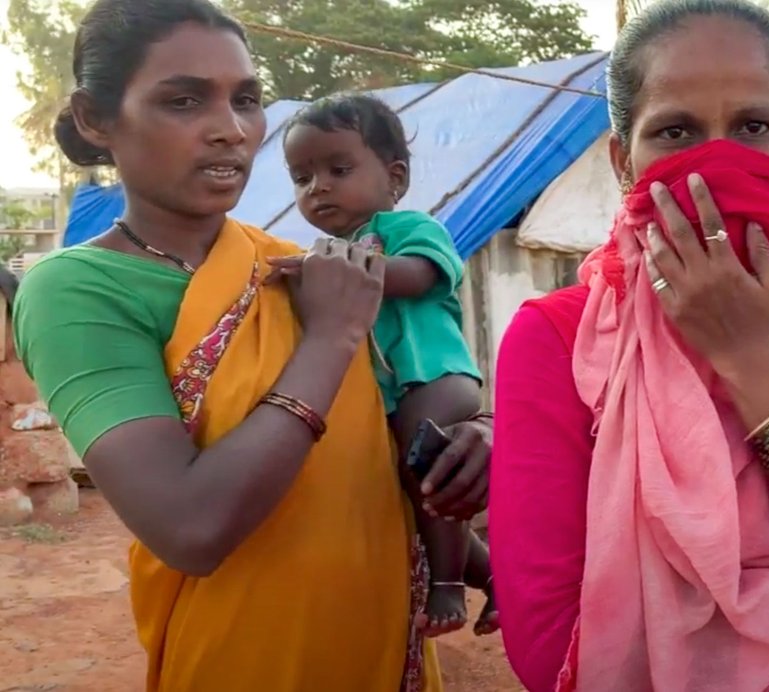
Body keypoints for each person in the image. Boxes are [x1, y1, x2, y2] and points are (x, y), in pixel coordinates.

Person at [11, 1, 489, 689]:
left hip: (383, 639)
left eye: (247, 100)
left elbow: (385, 424)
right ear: (96, 118)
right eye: (183, 100)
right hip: (244, 654)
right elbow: (190, 527)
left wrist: (476, 433)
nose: (231, 131)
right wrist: (329, 336)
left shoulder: (300, 266)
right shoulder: (77, 290)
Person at [488, 0, 769, 689]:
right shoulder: (556, 342)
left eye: (754, 126)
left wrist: (748, 361)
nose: (718, 161)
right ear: (625, 161)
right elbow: (553, 646)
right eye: (676, 131)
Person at [278, 93, 497, 636]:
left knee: (431, 470)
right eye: (302, 177)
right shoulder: (328, 251)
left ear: (394, 177)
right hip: (391, 391)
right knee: (411, 488)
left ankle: (447, 584)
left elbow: (421, 275)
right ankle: (498, 577)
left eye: (338, 168)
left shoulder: (411, 228)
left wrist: (330, 269)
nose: (319, 186)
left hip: (435, 376)